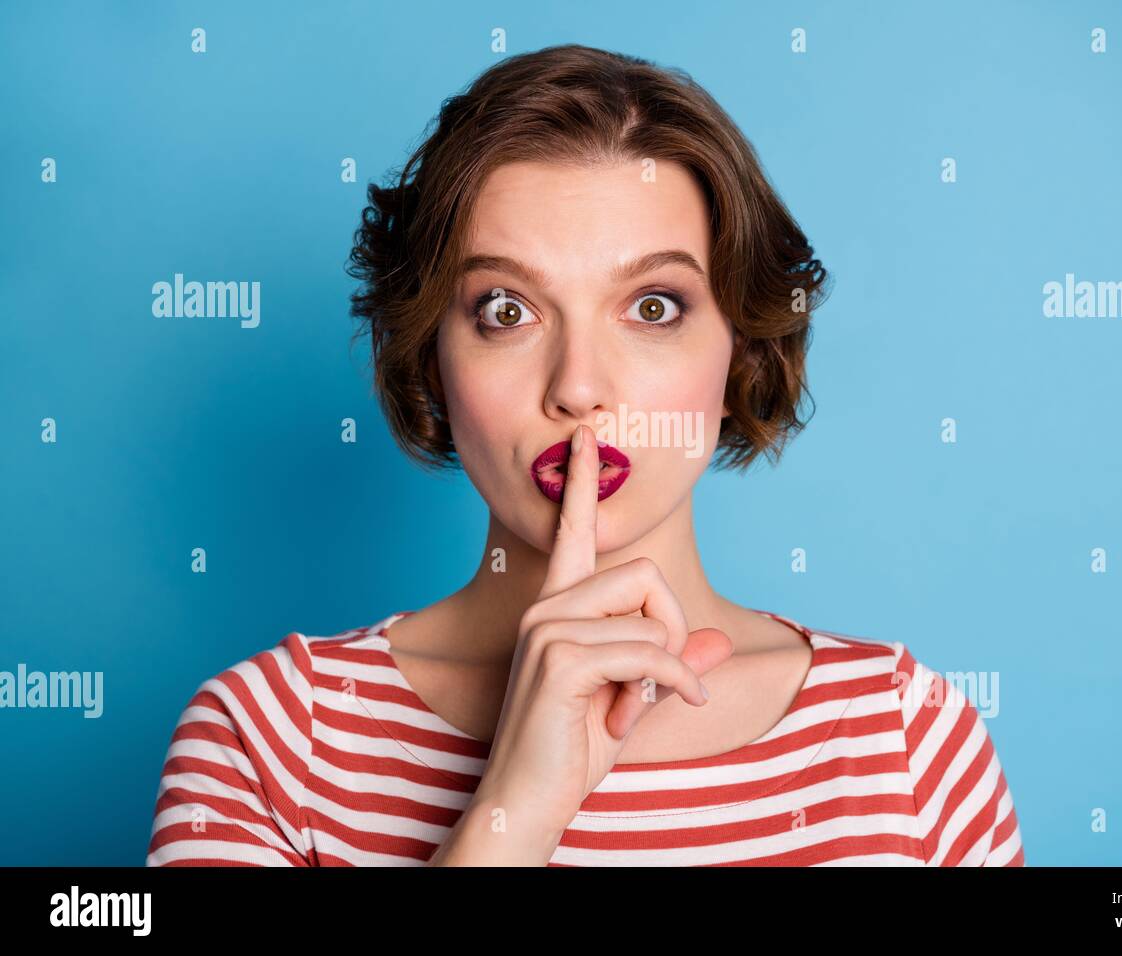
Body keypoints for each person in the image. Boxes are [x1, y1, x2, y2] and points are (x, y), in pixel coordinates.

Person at [146, 43, 1024, 867]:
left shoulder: (903, 740)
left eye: (652, 308)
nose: (577, 388)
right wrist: (515, 807)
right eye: (506, 310)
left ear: (743, 352)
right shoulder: (268, 741)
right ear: (430, 360)